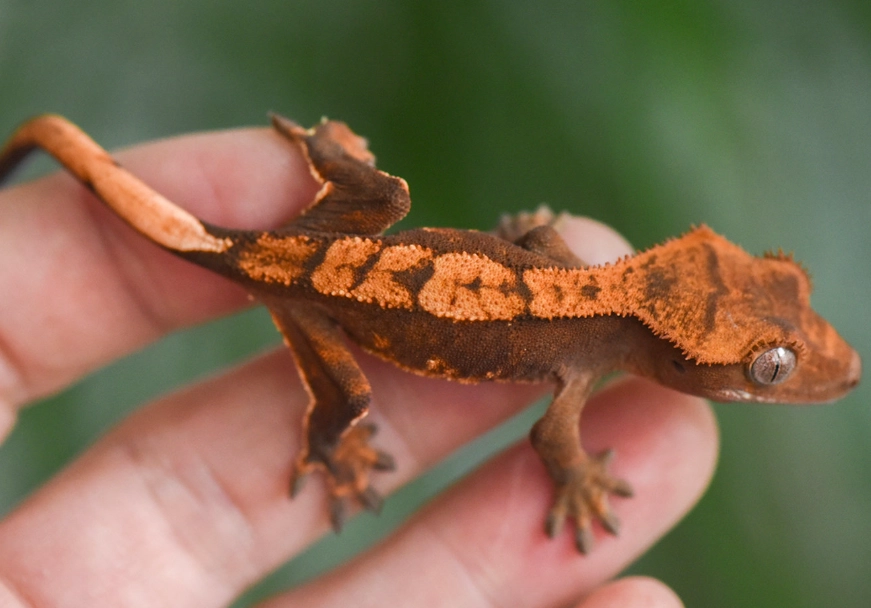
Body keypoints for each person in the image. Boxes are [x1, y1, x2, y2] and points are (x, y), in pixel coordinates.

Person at [0, 125, 716, 606]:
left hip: (331, 250)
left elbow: (538, 235)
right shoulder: (579, 368)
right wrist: (580, 478)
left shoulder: (569, 286)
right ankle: (327, 452)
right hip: (311, 295)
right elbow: (554, 443)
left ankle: (327, 151)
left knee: (387, 195)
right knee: (345, 404)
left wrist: (337, 154)